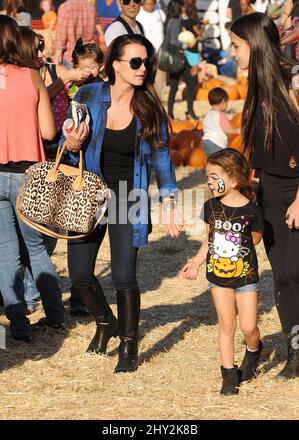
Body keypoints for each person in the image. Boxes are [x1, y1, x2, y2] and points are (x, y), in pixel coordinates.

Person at [59, 34, 182, 373]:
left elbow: (162, 162)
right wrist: (70, 141)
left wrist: (170, 206)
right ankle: (105, 322)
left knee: (124, 276)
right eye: (135, 62)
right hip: (90, 192)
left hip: (131, 196)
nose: (143, 69)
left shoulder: (150, 108)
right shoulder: (88, 95)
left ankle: (129, 344)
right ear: (115, 64)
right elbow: (66, 141)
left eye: (146, 63)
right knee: (80, 274)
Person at [230, 12, 299, 380]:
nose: (233, 53)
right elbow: (258, 151)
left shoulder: (294, 80)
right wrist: (248, 191)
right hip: (270, 189)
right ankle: (296, 350)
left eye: (237, 46)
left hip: (298, 188)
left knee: (295, 268)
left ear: (255, 45)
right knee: (282, 277)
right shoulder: (255, 89)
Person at [18, 27, 91, 317]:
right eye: (36, 47)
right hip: (30, 161)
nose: (41, 52)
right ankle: (28, 293)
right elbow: (36, 102)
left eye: (42, 46)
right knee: (30, 236)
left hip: (58, 161)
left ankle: (31, 287)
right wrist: (63, 81)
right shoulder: (23, 78)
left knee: (49, 235)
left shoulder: (50, 69)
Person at [0, 16, 65, 341]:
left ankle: (19, 323)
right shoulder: (32, 76)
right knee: (37, 248)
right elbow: (48, 131)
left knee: (5, 252)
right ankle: (55, 315)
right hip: (29, 174)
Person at [183, 148, 264, 395]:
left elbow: (256, 240)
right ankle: (228, 374)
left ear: (235, 179)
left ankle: (253, 350)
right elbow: (209, 240)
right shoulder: (210, 207)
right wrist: (196, 263)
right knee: (226, 324)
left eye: (214, 176)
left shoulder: (252, 210)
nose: (209, 181)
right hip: (218, 277)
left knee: (249, 326)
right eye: (207, 176)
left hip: (245, 277)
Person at [166, 0, 198, 120]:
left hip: (173, 57)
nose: (184, 8)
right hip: (179, 57)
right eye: (183, 6)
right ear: (179, 8)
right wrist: (186, 45)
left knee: (174, 86)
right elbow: (174, 40)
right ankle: (189, 111)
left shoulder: (169, 20)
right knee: (190, 84)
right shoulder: (176, 21)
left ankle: (170, 113)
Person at [137, 0, 166, 99]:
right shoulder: (139, 14)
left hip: (160, 52)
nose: (150, 6)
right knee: (146, 77)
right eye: (148, 4)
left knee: (160, 79)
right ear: (143, 3)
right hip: (146, 52)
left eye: (152, 4)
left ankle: (158, 100)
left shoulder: (160, 13)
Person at [55, 0, 97, 67]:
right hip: (89, 54)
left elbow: (61, 34)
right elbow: (93, 31)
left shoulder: (65, 7)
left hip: (70, 55)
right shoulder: (91, 7)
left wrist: (57, 55)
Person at [202, 87, 240, 157]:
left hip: (205, 142)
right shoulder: (221, 115)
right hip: (217, 144)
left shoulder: (208, 114)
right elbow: (227, 130)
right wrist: (238, 131)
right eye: (227, 102)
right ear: (223, 102)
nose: (227, 105)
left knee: (212, 161)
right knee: (220, 162)